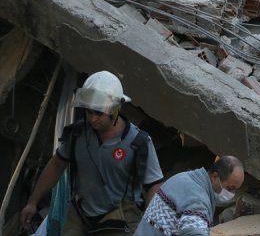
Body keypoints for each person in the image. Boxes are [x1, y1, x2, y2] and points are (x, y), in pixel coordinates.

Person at [21, 71, 164, 235]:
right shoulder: (78, 135)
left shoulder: (139, 143)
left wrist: (147, 225)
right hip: (81, 214)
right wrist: (33, 201)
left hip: (120, 218)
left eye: (99, 113)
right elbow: (57, 164)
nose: (93, 119)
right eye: (89, 112)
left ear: (115, 110)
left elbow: (154, 185)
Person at [135, 156, 245, 236]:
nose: (232, 194)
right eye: (230, 188)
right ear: (215, 177)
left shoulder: (185, 178)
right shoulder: (197, 199)